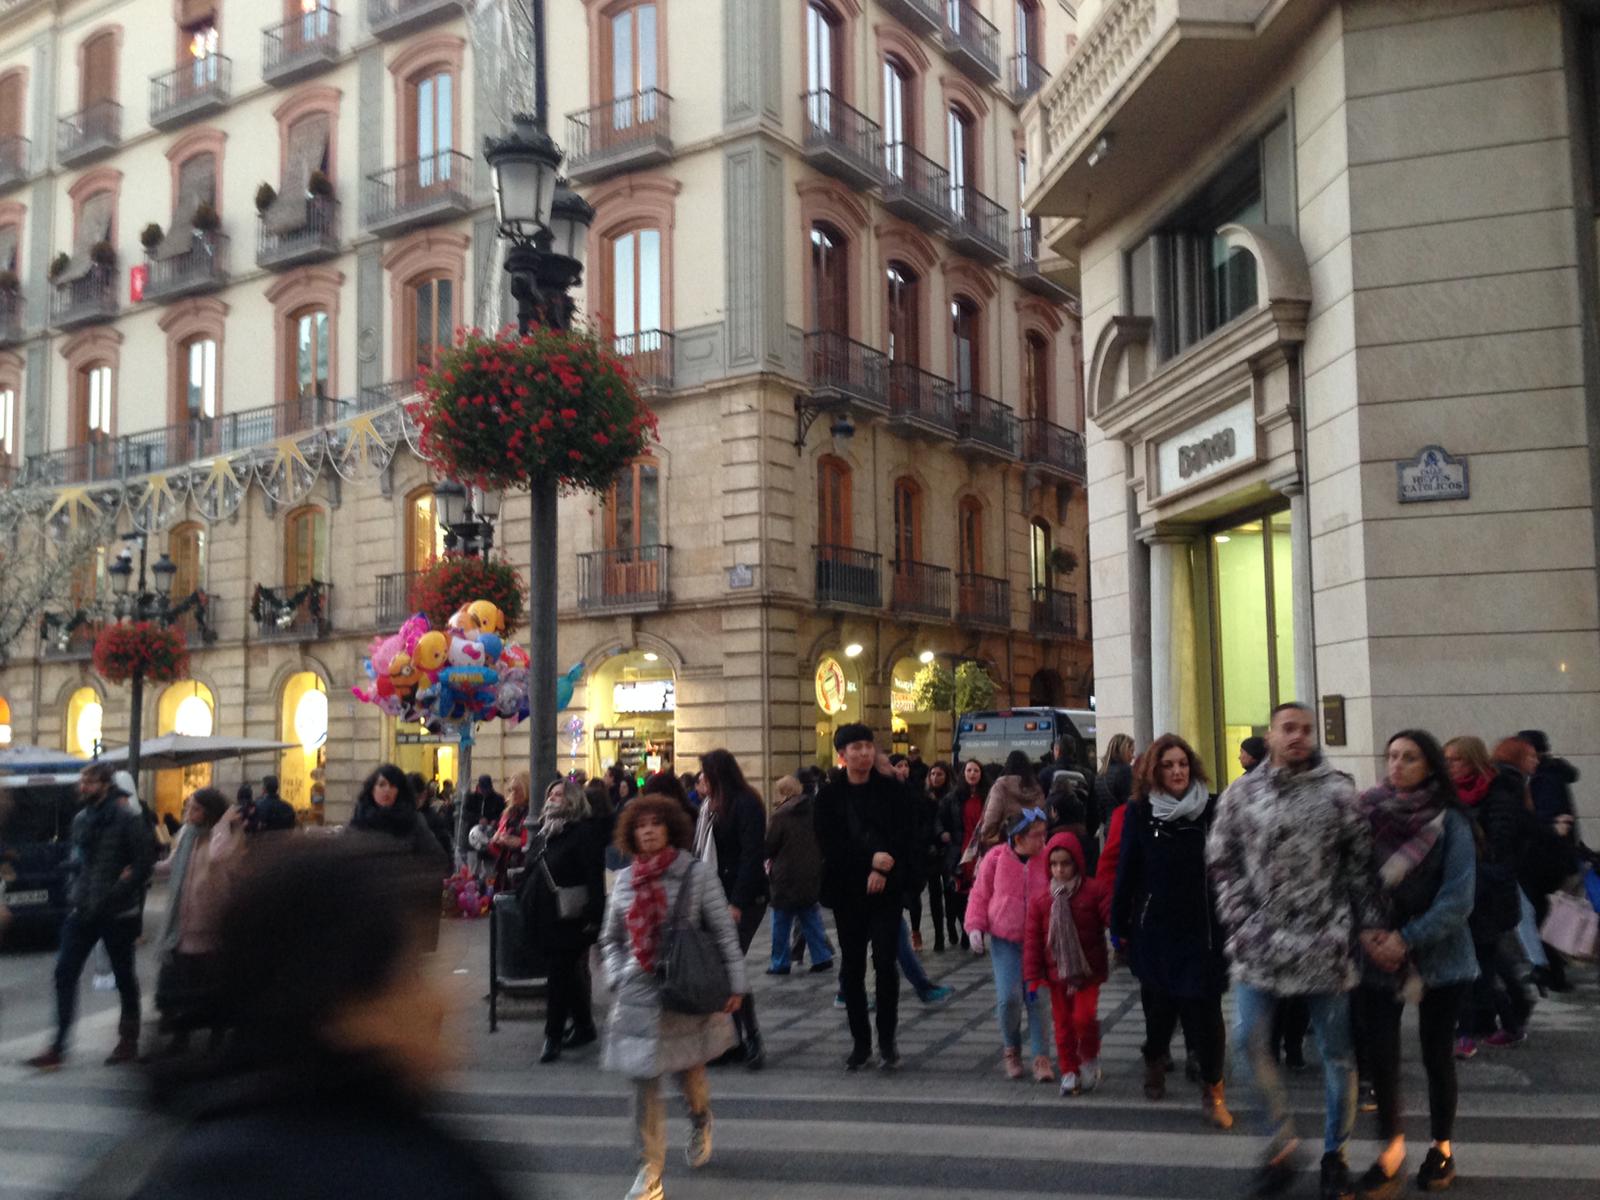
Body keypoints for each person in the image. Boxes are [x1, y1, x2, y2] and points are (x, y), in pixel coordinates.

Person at [74, 836, 518, 1200]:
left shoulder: (163, 1149)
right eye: (413, 971)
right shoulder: (411, 1175)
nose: (446, 998)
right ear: (344, 1003)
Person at [1208, 702, 1384, 1200]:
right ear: (1270, 734)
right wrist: (1240, 920)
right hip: (1258, 943)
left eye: (1306, 729)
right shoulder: (1242, 794)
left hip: (1325, 942)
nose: (1299, 737)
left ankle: (1335, 1154)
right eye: (1289, 728)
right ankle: (1281, 1140)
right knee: (1246, 1042)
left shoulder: (1338, 791)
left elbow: (1360, 866)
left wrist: (1363, 925)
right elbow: (1223, 861)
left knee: (1336, 1053)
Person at [600, 794, 747, 1200]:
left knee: (689, 1073)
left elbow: (722, 933)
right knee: (644, 1084)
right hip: (638, 994)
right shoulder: (626, 880)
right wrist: (616, 976)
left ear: (670, 829)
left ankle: (700, 1119)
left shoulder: (696, 875)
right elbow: (610, 938)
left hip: (685, 991)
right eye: (640, 824)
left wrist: (736, 985)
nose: (647, 830)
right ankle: (649, 1172)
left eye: (655, 823)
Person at [1352, 730, 1478, 1197]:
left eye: (1410, 758)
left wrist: (1404, 940)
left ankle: (1441, 1148)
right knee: (1381, 1057)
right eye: (1392, 756)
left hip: (1440, 956)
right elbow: (1355, 878)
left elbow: (1457, 900)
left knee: (1436, 1054)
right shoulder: (1368, 813)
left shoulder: (1452, 823)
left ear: (1430, 767)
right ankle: (1390, 1151)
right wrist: (1370, 934)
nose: (1398, 765)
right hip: (1376, 952)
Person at [1111, 734, 1232, 1129]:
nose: (1178, 771)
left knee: (1207, 1014)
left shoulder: (1211, 809)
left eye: (1183, 763)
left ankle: (1214, 1091)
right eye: (1169, 765)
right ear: (1155, 771)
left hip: (1203, 929)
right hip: (1157, 930)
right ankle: (1155, 1059)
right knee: (1160, 1011)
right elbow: (1127, 870)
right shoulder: (1140, 813)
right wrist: (1118, 926)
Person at [25, 764, 155, 1070]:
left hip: (116, 912)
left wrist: (119, 890)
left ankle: (128, 1040)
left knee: (124, 976)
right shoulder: (81, 819)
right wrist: (71, 878)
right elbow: (80, 858)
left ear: (106, 785)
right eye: (82, 781)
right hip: (82, 908)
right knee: (64, 972)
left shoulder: (127, 819)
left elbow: (143, 863)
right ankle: (58, 1045)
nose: (83, 786)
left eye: (90, 781)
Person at [814, 723, 913, 1071]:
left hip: (886, 891)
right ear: (842, 754)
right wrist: (868, 862)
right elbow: (829, 844)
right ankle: (860, 1043)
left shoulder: (891, 790)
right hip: (848, 892)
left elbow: (906, 832)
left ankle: (887, 1039)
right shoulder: (828, 797)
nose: (864, 753)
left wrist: (884, 868)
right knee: (852, 967)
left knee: (886, 963)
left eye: (868, 746)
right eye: (856, 747)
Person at [1447, 736, 1533, 1055]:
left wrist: (1476, 867)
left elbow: (1502, 845)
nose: (1448, 765)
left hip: (1486, 894)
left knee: (1476, 965)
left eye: (1454, 759)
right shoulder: (1454, 794)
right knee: (1480, 965)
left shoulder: (1497, 793)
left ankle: (1472, 1032)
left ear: (1472, 760)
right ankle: (1505, 1024)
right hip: (1467, 890)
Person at [152, 787, 243, 1054]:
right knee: (183, 987)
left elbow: (218, 856)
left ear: (210, 812)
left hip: (211, 924)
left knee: (212, 987)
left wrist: (223, 824)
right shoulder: (185, 835)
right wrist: (143, 868)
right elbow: (170, 865)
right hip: (182, 926)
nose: (188, 813)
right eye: (188, 807)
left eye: (195, 808)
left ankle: (216, 1037)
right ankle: (181, 1037)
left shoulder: (226, 837)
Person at [966, 807, 1054, 1082]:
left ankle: (1041, 1056)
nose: (1042, 840)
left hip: (1040, 942)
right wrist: (975, 927)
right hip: (1005, 940)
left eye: (1044, 834)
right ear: (1018, 838)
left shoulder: (1048, 858)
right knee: (1009, 998)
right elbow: (979, 895)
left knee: (1038, 1000)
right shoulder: (995, 859)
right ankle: (1011, 1048)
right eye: (1036, 835)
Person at [522, 778, 606, 1063]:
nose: (553, 798)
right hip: (544, 918)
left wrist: (595, 918)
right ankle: (584, 1026)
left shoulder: (583, 833)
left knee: (558, 977)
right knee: (568, 976)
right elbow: (530, 867)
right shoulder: (544, 833)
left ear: (572, 800)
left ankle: (552, 1036)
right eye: (551, 793)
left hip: (570, 919)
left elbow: (594, 878)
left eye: (559, 794)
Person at [1024, 831, 1111, 1095]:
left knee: (1083, 1019)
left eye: (1065, 863)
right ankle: (1069, 1070)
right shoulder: (1041, 900)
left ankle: (1088, 1055)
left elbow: (1109, 915)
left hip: (1087, 971)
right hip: (1056, 974)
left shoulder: (1093, 891)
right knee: (1062, 1025)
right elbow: (1033, 940)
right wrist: (1031, 976)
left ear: (1077, 864)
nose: (1059, 870)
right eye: (1054, 864)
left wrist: (1120, 934)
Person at [698, 749, 769, 1069]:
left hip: (744, 900)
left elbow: (751, 856)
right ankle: (732, 1040)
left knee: (730, 967)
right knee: (725, 969)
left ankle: (750, 1039)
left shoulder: (745, 803)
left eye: (705, 774)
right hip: (715, 896)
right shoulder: (709, 808)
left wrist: (737, 903)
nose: (701, 780)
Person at [1515, 730, 1582, 992]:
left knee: (1541, 916)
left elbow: (1548, 821)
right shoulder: (1549, 775)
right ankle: (1547, 968)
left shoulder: (1545, 778)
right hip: (1549, 859)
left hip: (1542, 860)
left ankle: (1549, 971)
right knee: (1542, 915)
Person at [764, 774, 834, 976]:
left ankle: (780, 962)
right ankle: (821, 957)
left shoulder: (780, 815)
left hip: (785, 875)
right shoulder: (813, 811)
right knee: (810, 915)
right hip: (811, 871)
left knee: (781, 920)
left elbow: (769, 845)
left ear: (784, 792)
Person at [942, 759, 989, 949]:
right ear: (963, 773)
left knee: (981, 892)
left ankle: (978, 931)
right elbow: (942, 819)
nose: (972, 774)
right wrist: (942, 834)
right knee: (960, 894)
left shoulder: (988, 796)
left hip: (982, 849)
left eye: (976, 770)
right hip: (962, 850)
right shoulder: (953, 798)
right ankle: (966, 928)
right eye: (969, 770)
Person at [915, 761, 953, 952]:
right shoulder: (923, 798)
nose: (935, 778)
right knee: (934, 894)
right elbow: (920, 823)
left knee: (951, 892)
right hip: (930, 851)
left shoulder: (952, 797)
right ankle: (939, 936)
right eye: (932, 774)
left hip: (948, 850)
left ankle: (953, 928)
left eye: (939, 774)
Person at [978, 750, 1047, 853]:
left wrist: (984, 835)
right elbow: (1042, 814)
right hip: (1032, 843)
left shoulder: (1001, 785)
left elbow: (991, 818)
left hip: (1007, 842)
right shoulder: (1036, 786)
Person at [489, 773, 532, 891]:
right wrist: (497, 841)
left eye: (517, 790)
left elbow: (535, 842)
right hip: (505, 869)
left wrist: (520, 843)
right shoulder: (508, 813)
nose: (513, 794)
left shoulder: (533, 813)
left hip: (523, 868)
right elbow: (495, 847)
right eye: (511, 790)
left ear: (527, 790)